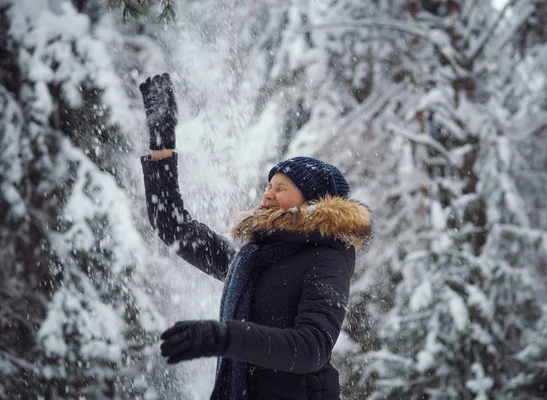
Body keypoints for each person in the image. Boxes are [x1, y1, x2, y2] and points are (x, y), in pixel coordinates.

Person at [139, 73, 372, 400]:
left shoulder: (328, 257)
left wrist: (223, 338)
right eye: (268, 187)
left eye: (281, 188)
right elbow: (172, 226)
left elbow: (311, 348)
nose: (267, 196)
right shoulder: (255, 259)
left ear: (314, 201)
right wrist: (161, 142)